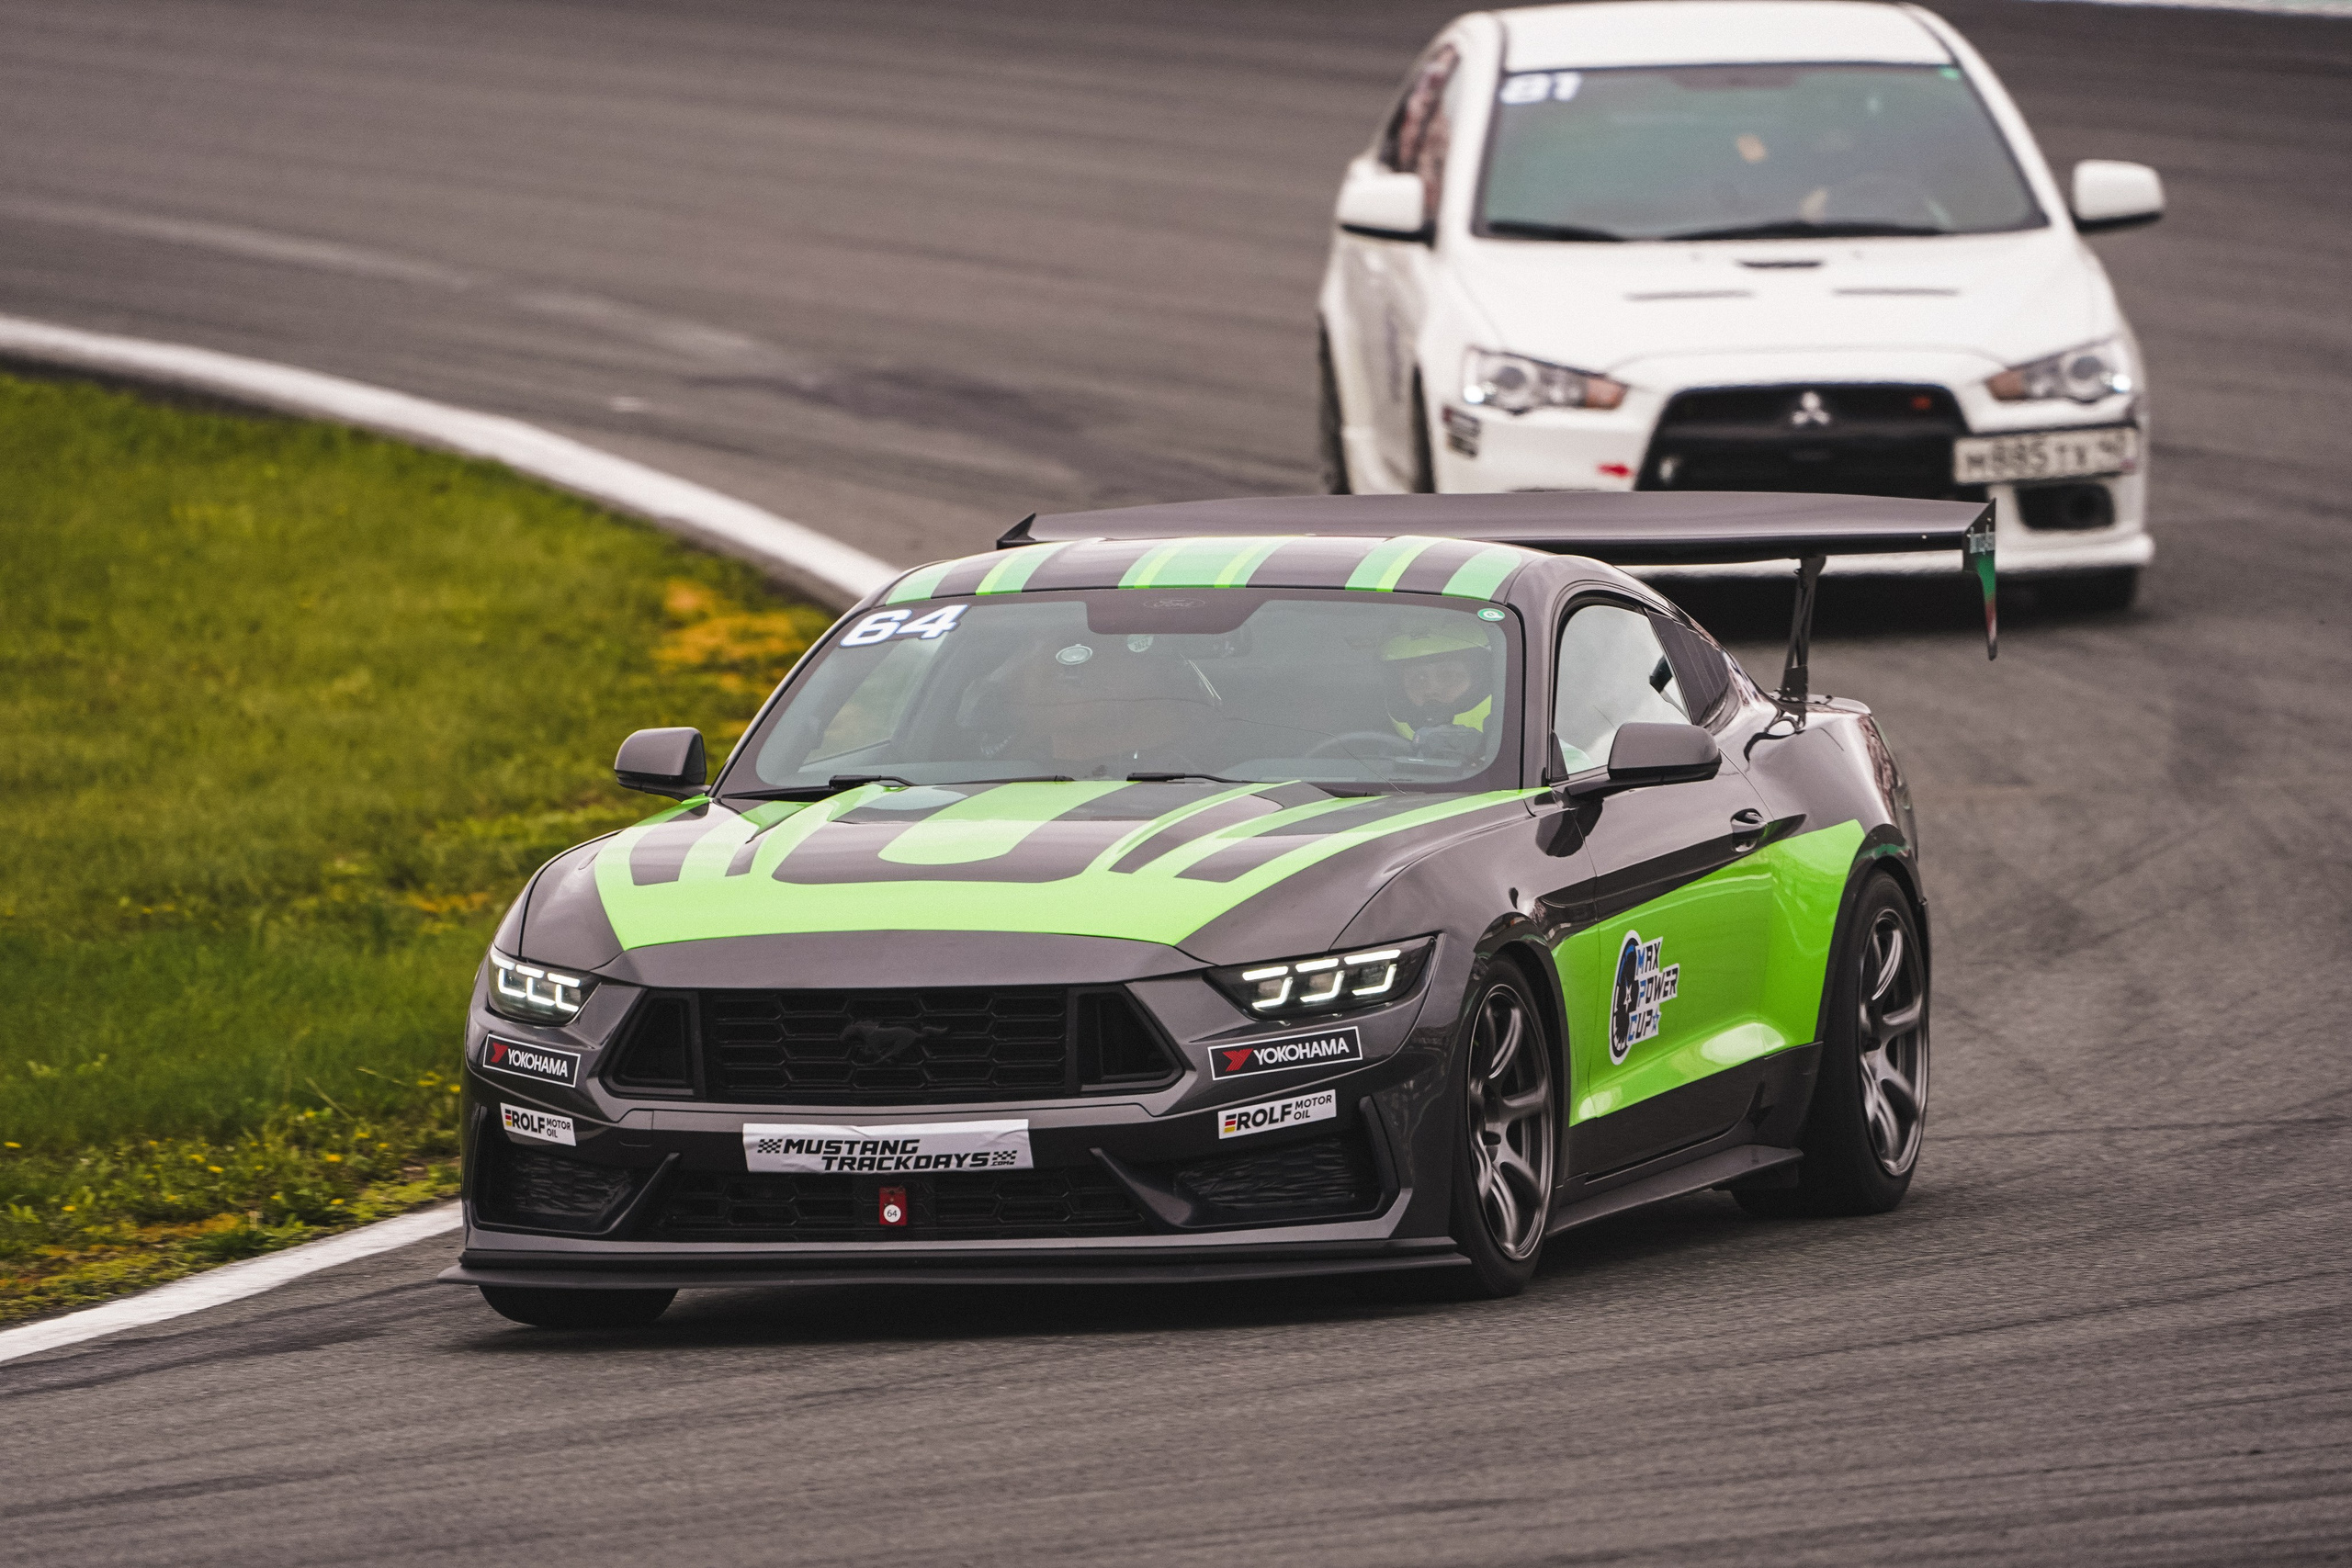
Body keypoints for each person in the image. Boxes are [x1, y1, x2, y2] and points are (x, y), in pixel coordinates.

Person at [1380, 624, 1497, 756]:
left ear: (1480, 685)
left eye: (1448, 676)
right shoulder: (1377, 763)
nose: (1431, 690)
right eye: (1419, 679)